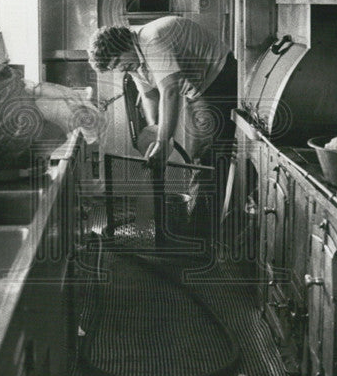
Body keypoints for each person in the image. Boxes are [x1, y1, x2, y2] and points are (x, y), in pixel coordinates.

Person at [88, 16, 238, 246]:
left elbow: (170, 91)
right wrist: (156, 133)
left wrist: (162, 140)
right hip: (196, 88)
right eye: (113, 68)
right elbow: (149, 95)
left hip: (219, 78)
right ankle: (198, 227)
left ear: (124, 45)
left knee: (209, 158)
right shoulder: (134, 60)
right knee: (198, 154)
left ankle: (200, 240)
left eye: (117, 61)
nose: (119, 69)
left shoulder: (152, 40)